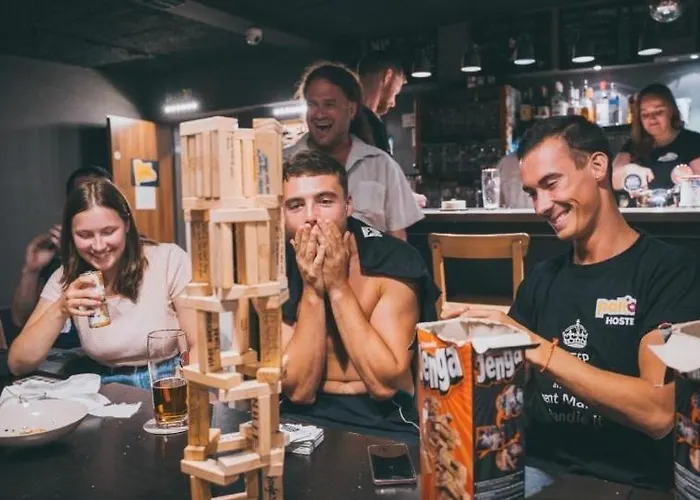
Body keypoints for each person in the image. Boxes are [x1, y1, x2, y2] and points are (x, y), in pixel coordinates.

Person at [445, 116, 700, 490]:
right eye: (532, 193)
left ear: (597, 166)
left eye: (551, 184)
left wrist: (537, 349)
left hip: (624, 480)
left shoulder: (669, 272)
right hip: (535, 468)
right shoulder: (542, 278)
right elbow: (502, 392)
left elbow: (658, 412)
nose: (541, 206)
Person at [280, 149, 438, 438]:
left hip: (385, 417)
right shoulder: (275, 271)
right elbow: (299, 390)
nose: (311, 217)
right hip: (300, 416)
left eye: (325, 201)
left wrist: (338, 286)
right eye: (296, 205)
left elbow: (384, 384)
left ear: (348, 205)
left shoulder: (393, 260)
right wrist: (313, 289)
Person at [8, 178, 196, 388]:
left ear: (126, 224)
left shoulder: (168, 259)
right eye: (85, 235)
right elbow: (18, 363)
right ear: (71, 234)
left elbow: (197, 345)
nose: (98, 246)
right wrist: (61, 308)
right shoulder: (67, 276)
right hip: (106, 384)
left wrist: (193, 391)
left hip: (167, 378)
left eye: (108, 232)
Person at [285, 61, 423, 240]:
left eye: (329, 104)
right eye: (312, 105)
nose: (319, 114)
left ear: (351, 109)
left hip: (370, 259)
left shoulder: (382, 166)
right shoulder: (282, 163)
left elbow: (397, 240)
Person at [10, 166, 113, 349]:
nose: (92, 200)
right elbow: (21, 320)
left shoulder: (115, 247)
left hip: (104, 352)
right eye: (83, 195)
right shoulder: (51, 250)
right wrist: (31, 270)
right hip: (58, 353)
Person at [357, 51, 427, 208]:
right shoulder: (369, 122)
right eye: (396, 92)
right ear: (387, 76)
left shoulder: (344, 116)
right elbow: (377, 180)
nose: (394, 103)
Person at [613, 83, 700, 191]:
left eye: (659, 112)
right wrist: (628, 170)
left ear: (672, 111)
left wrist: (687, 179)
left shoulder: (693, 141)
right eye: (645, 115)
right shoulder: (633, 145)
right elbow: (612, 180)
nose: (652, 119)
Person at [356, 50, 406, 155]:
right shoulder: (372, 125)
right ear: (388, 76)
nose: (393, 103)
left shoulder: (342, 117)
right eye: (395, 94)